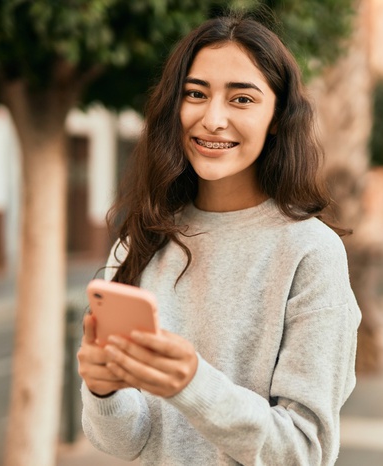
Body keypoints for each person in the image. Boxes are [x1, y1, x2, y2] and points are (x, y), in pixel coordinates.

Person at [77, 13, 361, 466]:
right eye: (196, 94)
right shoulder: (142, 241)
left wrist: (193, 385)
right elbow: (126, 443)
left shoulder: (311, 252)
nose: (212, 119)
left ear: (275, 118)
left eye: (242, 99)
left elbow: (303, 451)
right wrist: (103, 390)